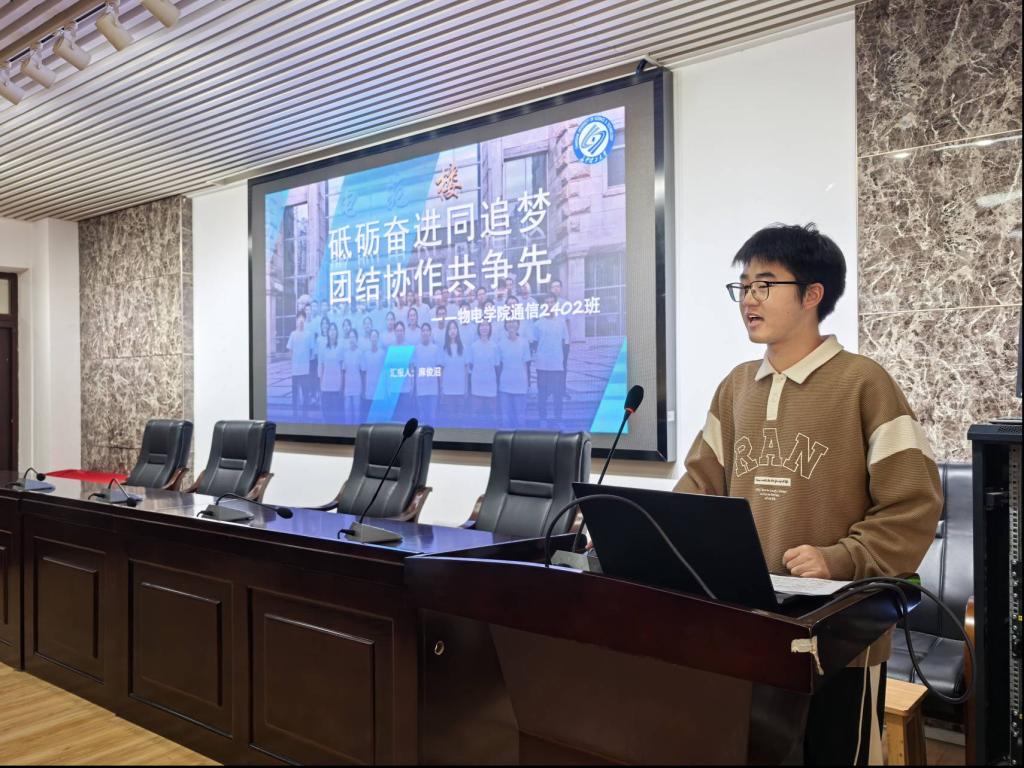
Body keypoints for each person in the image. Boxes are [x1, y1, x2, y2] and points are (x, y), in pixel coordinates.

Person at [672, 223, 942, 766]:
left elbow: (915, 503)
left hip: (841, 638)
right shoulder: (735, 387)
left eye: (764, 284)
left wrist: (842, 558)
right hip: (747, 626)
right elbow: (699, 487)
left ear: (812, 293)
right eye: (743, 286)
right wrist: (648, 528)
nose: (748, 299)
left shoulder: (864, 383)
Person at [533, 294, 568, 427]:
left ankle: (558, 419)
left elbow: (565, 342)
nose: (549, 305)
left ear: (556, 304)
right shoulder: (538, 324)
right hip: (542, 365)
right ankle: (543, 419)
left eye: (552, 302)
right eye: (546, 302)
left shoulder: (561, 322)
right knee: (542, 394)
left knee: (558, 394)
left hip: (557, 365)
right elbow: (535, 343)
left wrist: (560, 359)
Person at [497, 319, 531, 428]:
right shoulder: (500, 344)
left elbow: (526, 365)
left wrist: (526, 384)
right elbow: (499, 366)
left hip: (520, 384)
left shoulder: (524, 342)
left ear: (518, 324)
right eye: (508, 322)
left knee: (520, 419)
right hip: (505, 385)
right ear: (505, 325)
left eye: (513, 321)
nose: (511, 324)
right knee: (505, 419)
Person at [467, 320, 499, 427]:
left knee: (493, 413)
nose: (484, 327)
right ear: (478, 328)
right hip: (477, 384)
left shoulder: (495, 346)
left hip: (491, 384)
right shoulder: (473, 346)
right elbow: (471, 365)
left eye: (486, 325)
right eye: (481, 325)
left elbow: (497, 366)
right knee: (475, 413)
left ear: (490, 328)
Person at [286, 313, 315, 418]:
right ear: (297, 321)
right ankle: (295, 414)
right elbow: (290, 351)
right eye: (299, 319)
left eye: (303, 320)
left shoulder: (309, 335)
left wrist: (305, 361)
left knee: (305, 393)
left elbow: (311, 350)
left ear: (305, 321)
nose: (301, 321)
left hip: (305, 370)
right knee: (295, 393)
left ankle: (305, 415)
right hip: (295, 370)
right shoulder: (293, 334)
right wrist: (294, 362)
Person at [440, 320, 468, 425]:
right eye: (450, 328)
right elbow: (441, 370)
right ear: (447, 332)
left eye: (454, 328)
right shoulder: (444, 349)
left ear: (457, 331)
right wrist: (442, 388)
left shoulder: (463, 347)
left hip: (460, 389)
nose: (452, 331)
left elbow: (466, 369)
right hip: (448, 390)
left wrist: (466, 388)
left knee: (461, 419)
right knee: (450, 419)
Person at [413, 322, 442, 424]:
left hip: (433, 389)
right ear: (421, 333)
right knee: (422, 417)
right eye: (423, 330)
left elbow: (438, 369)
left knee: (432, 417)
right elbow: (414, 370)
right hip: (421, 389)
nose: (425, 332)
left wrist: (440, 386)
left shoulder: (435, 349)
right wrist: (414, 387)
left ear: (430, 332)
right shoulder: (416, 349)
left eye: (427, 330)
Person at [318, 323, 343, 422]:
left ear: (337, 332)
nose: (332, 332)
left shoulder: (340, 348)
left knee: (335, 413)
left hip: (336, 386)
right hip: (326, 385)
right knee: (326, 413)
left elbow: (342, 369)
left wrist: (341, 385)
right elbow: (322, 367)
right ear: (328, 333)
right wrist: (321, 384)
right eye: (330, 330)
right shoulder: (324, 348)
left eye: (334, 329)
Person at [360, 329, 385, 421]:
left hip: (380, 391)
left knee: (379, 417)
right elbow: (364, 373)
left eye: (375, 336)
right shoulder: (365, 354)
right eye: (372, 337)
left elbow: (385, 374)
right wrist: (363, 390)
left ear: (378, 338)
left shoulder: (382, 353)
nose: (374, 339)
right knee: (370, 417)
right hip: (369, 391)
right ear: (369, 339)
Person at [341, 330, 363, 424]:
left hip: (357, 387)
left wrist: (363, 388)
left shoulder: (360, 353)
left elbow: (362, 371)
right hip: (347, 387)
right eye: (350, 337)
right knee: (347, 411)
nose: (352, 339)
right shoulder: (345, 353)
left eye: (353, 337)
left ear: (356, 339)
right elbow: (343, 371)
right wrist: (342, 387)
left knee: (357, 412)